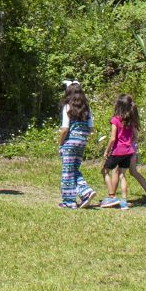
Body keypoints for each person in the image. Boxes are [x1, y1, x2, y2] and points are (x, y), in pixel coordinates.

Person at [102, 94, 146, 208]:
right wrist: (130, 144)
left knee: (114, 172)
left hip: (121, 150)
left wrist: (108, 150)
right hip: (130, 149)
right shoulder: (131, 119)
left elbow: (113, 138)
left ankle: (112, 197)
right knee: (129, 173)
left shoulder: (116, 120)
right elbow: (135, 136)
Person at [58, 80, 99, 208]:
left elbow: (65, 128)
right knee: (74, 169)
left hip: (70, 142)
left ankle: (69, 202)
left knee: (67, 172)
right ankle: (86, 192)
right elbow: (91, 128)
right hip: (82, 142)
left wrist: (61, 143)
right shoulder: (87, 108)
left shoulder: (67, 107)